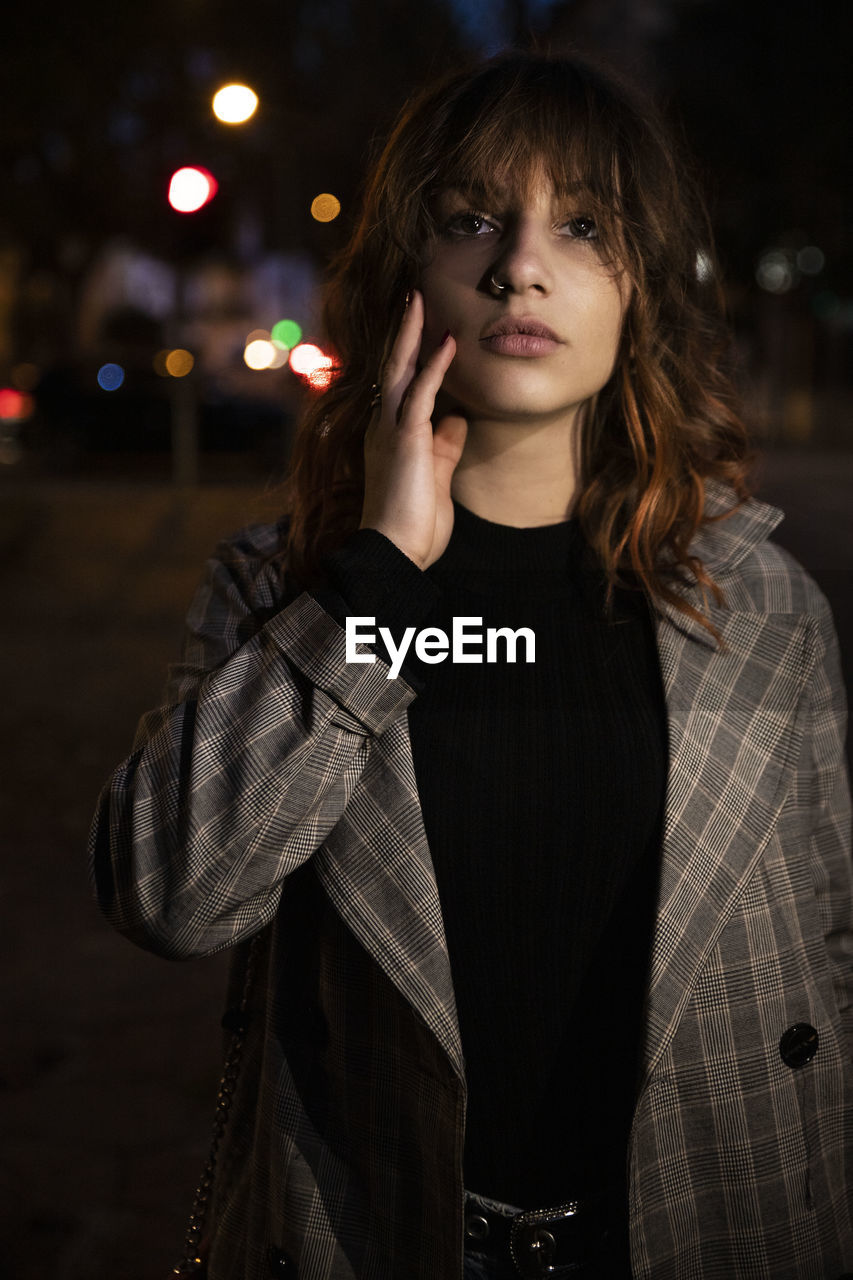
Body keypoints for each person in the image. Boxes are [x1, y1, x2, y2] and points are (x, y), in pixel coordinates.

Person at [89, 51, 853, 1280]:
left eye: (585, 225)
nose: (520, 264)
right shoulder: (281, 588)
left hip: (713, 1225)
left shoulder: (759, 603)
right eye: (472, 221)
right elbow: (173, 895)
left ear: (639, 285)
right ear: (411, 274)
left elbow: (826, 949)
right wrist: (380, 578)